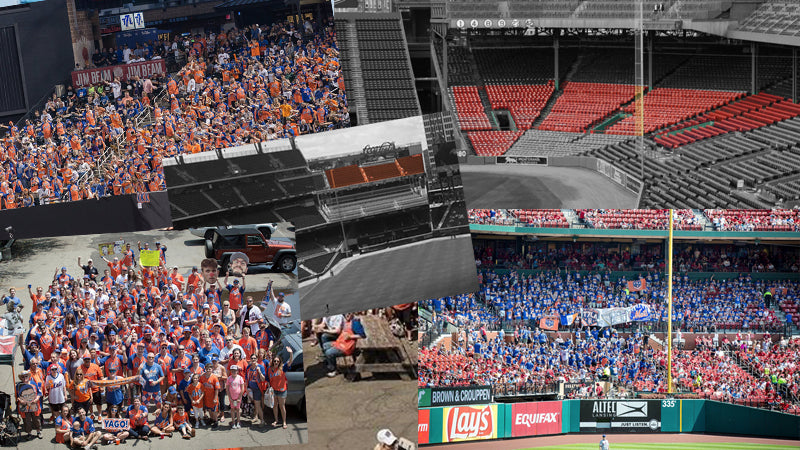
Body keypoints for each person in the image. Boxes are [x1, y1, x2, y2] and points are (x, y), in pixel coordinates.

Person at [268, 346, 295, 429]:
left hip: (282, 390)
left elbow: (290, 362)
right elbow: (268, 379)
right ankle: (276, 420)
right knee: (275, 406)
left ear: (279, 362)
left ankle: (284, 421)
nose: (276, 362)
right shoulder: (269, 369)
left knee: (282, 406)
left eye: (277, 361)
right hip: (274, 390)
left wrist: (291, 353)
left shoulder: (283, 368)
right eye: (275, 361)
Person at [16, 370, 42, 439]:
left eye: (26, 376)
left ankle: (38, 431)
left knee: (36, 419)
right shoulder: (19, 385)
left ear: (28, 377)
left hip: (34, 404)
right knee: (26, 420)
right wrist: (21, 401)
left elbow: (39, 392)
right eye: (23, 377)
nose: (25, 378)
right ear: (21, 378)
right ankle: (29, 433)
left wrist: (37, 399)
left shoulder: (33, 383)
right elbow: (17, 396)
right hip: (25, 406)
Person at [226, 364, 245, 429]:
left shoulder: (240, 378)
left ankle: (238, 422)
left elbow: (242, 388)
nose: (234, 372)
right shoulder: (229, 378)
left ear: (237, 371)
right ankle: (233, 422)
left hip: (238, 397)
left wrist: (239, 397)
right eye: (232, 371)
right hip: (232, 397)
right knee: (232, 409)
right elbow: (227, 389)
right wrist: (230, 398)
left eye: (235, 370)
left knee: (238, 409)